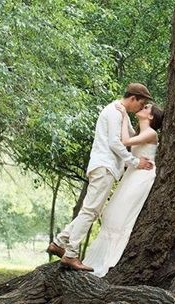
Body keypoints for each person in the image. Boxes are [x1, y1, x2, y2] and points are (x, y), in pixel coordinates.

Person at [46, 83, 154, 271]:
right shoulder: (114, 112)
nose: (140, 108)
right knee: (90, 212)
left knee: (91, 211)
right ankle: (71, 254)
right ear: (133, 99)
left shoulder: (120, 113)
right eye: (141, 103)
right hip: (104, 166)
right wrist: (135, 162)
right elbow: (115, 143)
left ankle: (59, 242)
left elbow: (129, 135)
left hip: (106, 167)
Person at [82, 101, 163, 277]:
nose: (143, 107)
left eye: (147, 107)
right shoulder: (143, 133)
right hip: (132, 174)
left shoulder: (151, 133)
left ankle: (112, 258)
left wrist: (124, 114)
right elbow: (129, 136)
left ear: (150, 116)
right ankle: (100, 257)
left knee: (121, 215)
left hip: (142, 176)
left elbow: (125, 140)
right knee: (111, 212)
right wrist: (124, 115)